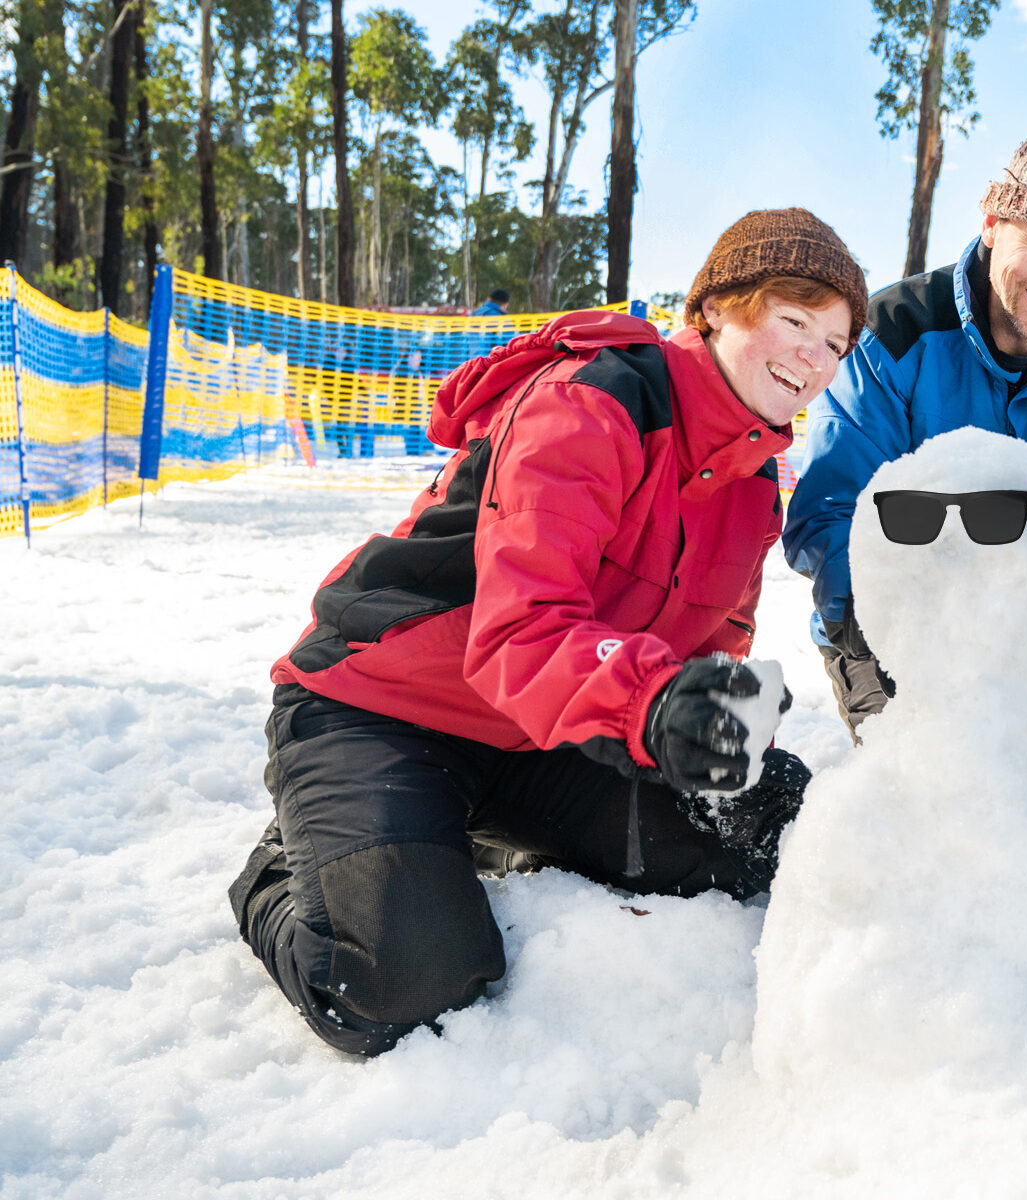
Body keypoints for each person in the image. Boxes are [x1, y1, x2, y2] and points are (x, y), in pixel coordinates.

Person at [227, 209, 867, 1057]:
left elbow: (702, 658)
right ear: (716, 307)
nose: (813, 362)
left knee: (771, 827)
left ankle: (467, 836)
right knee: (405, 981)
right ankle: (289, 864)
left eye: (835, 344)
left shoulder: (752, 486)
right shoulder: (593, 404)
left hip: (544, 735)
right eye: (795, 323)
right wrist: (656, 700)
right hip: (385, 707)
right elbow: (519, 635)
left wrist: (714, 715)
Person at [785, 122, 1027, 743]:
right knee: (928, 792)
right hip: (890, 621)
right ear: (994, 222)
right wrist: (889, 638)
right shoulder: (893, 335)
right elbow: (830, 513)